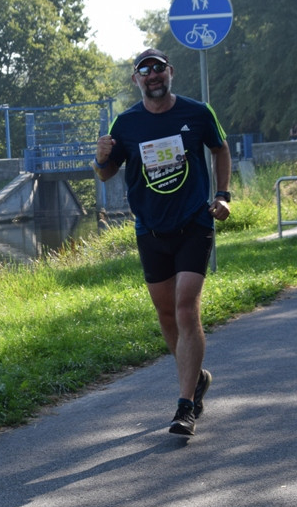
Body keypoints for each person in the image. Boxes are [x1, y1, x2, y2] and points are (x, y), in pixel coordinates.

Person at [93, 48, 231, 437]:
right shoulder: (126, 124)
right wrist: (100, 158)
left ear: (170, 73)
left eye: (159, 69)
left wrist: (223, 195)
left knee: (186, 309)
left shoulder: (197, 113)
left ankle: (185, 405)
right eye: (144, 70)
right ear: (136, 80)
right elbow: (106, 174)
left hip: (193, 223)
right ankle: (196, 377)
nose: (153, 75)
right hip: (150, 230)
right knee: (167, 315)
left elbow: (220, 149)